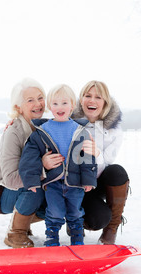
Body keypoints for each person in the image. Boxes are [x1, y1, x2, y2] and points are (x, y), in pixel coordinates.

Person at [43, 80, 129, 245]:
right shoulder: (66, 120)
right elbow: (43, 129)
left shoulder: (114, 131)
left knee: (117, 172)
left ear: (105, 102)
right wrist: (15, 123)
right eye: (87, 96)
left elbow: (108, 161)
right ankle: (73, 223)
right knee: (90, 215)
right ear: (80, 100)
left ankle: (111, 229)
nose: (92, 100)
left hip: (94, 183)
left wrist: (96, 154)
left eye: (98, 97)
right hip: (69, 182)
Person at [19, 84, 97, 246]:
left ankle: (77, 237)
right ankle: (52, 237)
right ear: (49, 106)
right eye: (55, 104)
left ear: (72, 106)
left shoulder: (80, 130)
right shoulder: (41, 131)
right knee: (55, 211)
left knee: (75, 211)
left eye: (64, 103)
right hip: (53, 182)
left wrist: (89, 180)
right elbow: (29, 159)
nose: (59, 107)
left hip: (75, 182)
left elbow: (86, 158)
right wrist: (32, 180)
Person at [0, 78, 47, 248]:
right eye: (30, 100)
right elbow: (10, 179)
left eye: (40, 97)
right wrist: (43, 170)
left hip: (22, 185)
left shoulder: (44, 127)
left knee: (58, 195)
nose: (38, 103)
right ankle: (15, 234)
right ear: (18, 107)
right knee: (35, 187)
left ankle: (22, 223)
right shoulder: (13, 132)